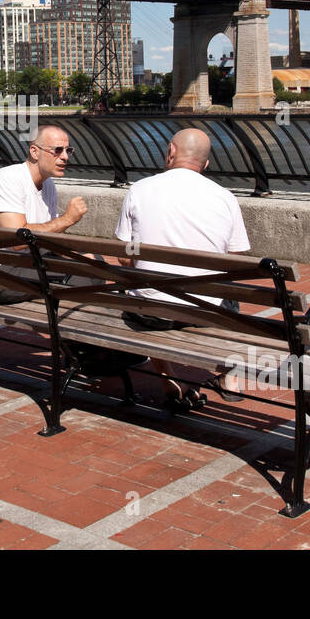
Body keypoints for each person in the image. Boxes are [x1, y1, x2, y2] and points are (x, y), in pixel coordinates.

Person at [114, 127, 250, 411]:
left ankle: (169, 380)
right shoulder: (225, 197)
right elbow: (236, 264)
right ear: (206, 165)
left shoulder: (139, 190)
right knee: (229, 293)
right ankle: (230, 378)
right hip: (205, 313)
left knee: (143, 290)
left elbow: (125, 258)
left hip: (152, 316)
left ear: (170, 153)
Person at [0, 123, 87, 303]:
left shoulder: (48, 185)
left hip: (18, 264)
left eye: (68, 150)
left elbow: (46, 237)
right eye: (58, 150)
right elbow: (18, 239)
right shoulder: (9, 178)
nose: (65, 157)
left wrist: (77, 256)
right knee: (84, 276)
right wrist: (67, 219)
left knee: (92, 264)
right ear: (35, 152)